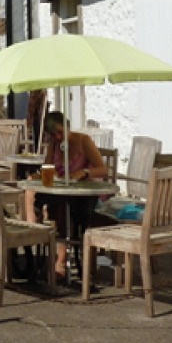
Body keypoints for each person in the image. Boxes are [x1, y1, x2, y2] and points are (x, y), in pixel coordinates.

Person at [25, 110, 107, 280]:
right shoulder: (54, 145)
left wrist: (83, 172)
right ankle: (33, 230)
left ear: (68, 126)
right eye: (53, 134)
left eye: (60, 132)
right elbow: (47, 168)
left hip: (85, 191)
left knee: (61, 206)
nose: (57, 136)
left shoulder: (83, 141)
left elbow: (103, 169)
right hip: (62, 191)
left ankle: (61, 260)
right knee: (47, 199)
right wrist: (41, 175)